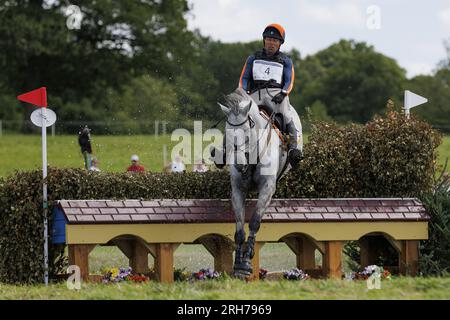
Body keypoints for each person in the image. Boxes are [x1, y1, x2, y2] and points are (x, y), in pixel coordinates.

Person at [238, 23, 303, 168]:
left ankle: (293, 150)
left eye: (275, 41)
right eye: (268, 39)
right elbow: (244, 78)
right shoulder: (252, 58)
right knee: (237, 114)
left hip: (276, 96)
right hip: (255, 95)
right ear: (264, 41)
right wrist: (243, 92)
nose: (271, 43)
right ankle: (224, 150)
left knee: (286, 115)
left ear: (280, 43)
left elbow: (289, 81)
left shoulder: (285, 61)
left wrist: (284, 93)